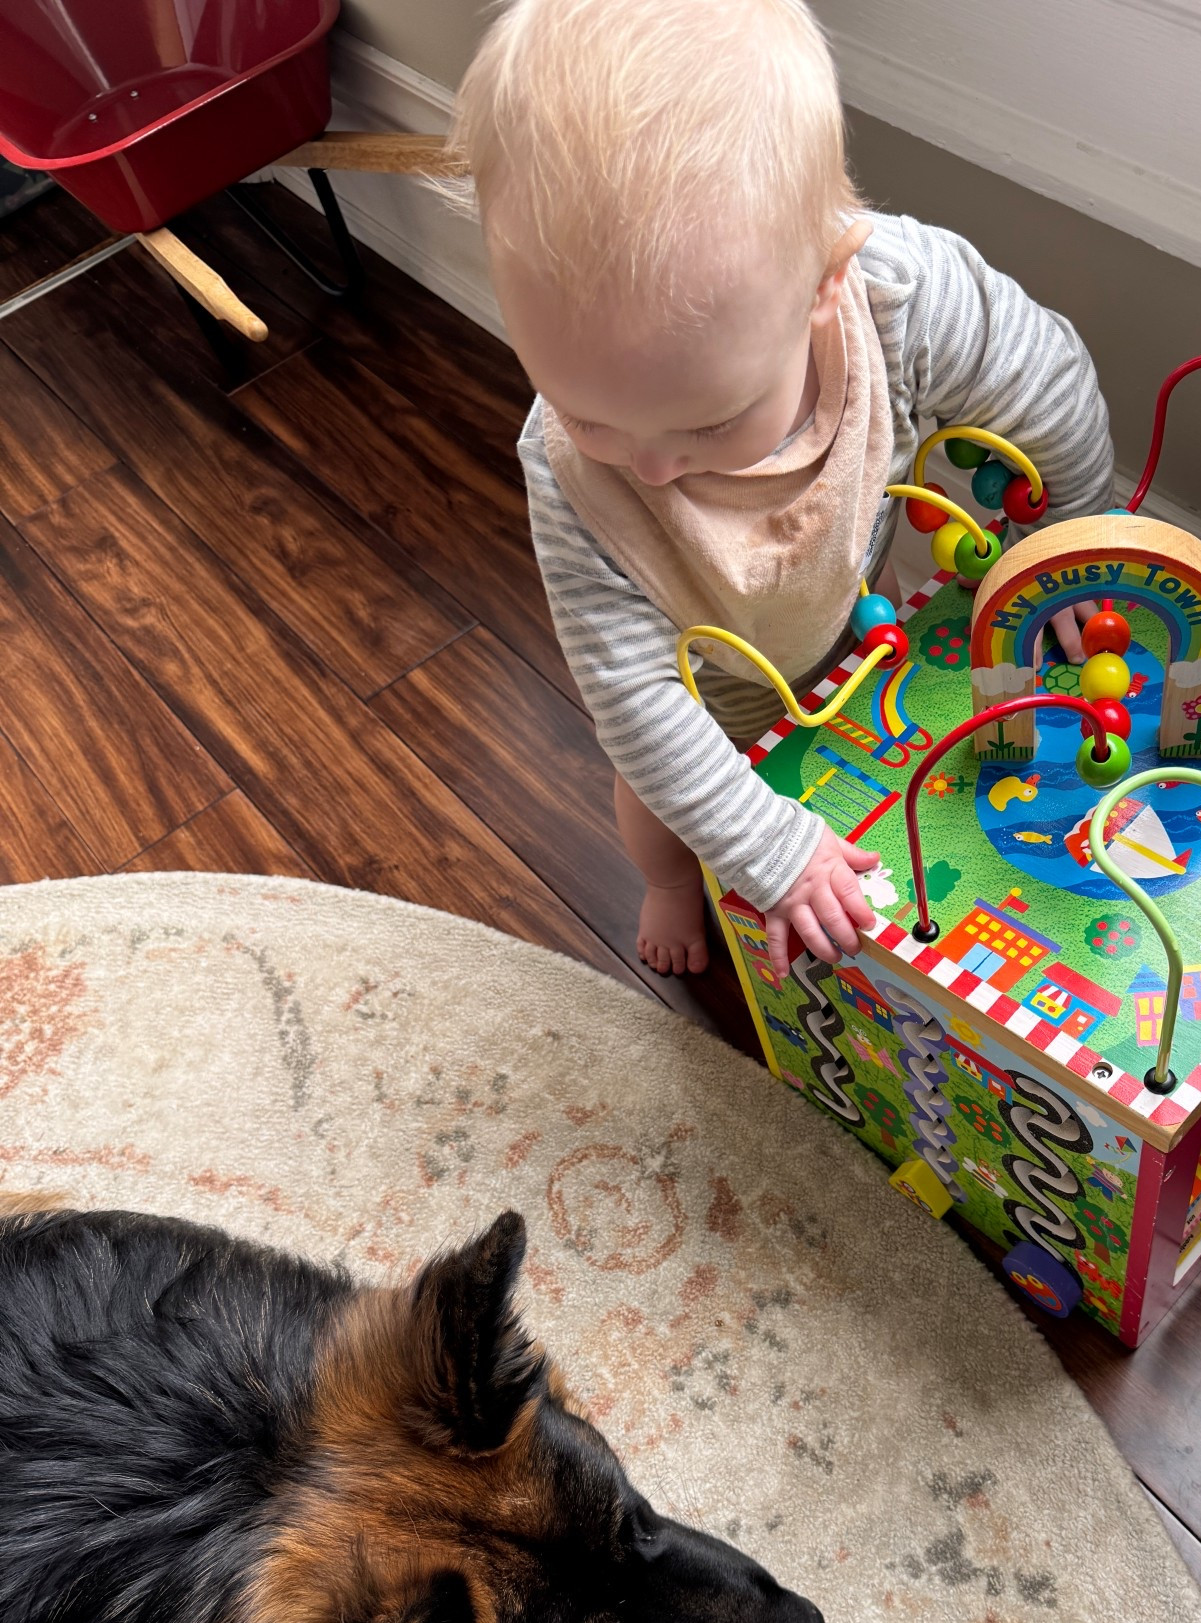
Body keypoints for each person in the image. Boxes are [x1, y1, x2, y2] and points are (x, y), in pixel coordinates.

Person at [452, 0, 1113, 978]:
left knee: (864, 762)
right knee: (660, 806)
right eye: (587, 412)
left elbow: (1047, 383)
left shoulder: (901, 297)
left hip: (847, 622)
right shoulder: (569, 475)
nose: (649, 466)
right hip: (699, 698)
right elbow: (633, 698)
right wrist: (766, 849)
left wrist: (1069, 535)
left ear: (824, 282)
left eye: (711, 423)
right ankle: (672, 881)